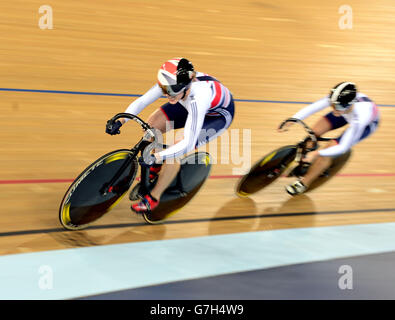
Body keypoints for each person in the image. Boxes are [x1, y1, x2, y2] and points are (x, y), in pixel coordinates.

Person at [105, 57, 235, 212]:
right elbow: (142, 101)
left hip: (216, 116)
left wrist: (157, 157)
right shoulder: (171, 81)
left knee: (177, 146)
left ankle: (154, 197)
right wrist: (121, 120)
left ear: (186, 87)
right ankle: (159, 167)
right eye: (165, 91)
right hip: (185, 102)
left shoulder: (198, 97)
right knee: (152, 125)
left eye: (172, 92)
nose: (168, 96)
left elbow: (187, 142)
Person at [278, 81, 380, 196]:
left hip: (365, 125)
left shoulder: (361, 116)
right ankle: (304, 161)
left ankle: (304, 183)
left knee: (330, 148)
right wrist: (293, 119)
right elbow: (314, 107)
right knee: (313, 134)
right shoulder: (338, 99)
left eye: (338, 106)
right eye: (332, 104)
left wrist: (317, 153)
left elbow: (343, 147)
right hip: (346, 113)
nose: (334, 108)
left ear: (350, 104)